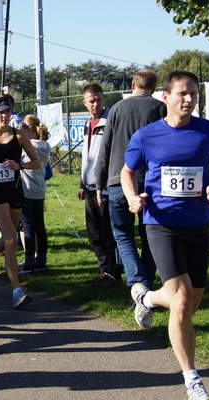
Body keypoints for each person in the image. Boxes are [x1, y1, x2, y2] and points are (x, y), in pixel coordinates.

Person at [122, 70, 209, 400]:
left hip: (198, 223)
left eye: (194, 93)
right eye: (183, 93)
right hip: (160, 222)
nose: (189, 99)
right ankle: (193, 382)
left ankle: (148, 299)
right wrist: (131, 197)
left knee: (187, 307)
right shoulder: (146, 136)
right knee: (183, 299)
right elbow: (128, 171)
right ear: (166, 97)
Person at [96, 70, 166, 290]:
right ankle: (147, 284)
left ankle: (138, 283)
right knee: (151, 236)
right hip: (152, 181)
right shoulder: (161, 108)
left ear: (133, 84)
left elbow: (104, 149)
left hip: (118, 180)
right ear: (154, 88)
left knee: (123, 235)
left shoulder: (117, 108)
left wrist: (99, 184)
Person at [0, 96, 41, 309]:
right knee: (11, 239)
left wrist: (20, 165)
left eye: (7, 111)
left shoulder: (20, 136)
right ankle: (17, 290)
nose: (4, 116)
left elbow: (36, 162)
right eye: (0, 112)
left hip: (15, 191)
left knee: (10, 238)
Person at [79, 84, 121, 288]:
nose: (95, 104)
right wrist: (82, 182)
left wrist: (103, 184)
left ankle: (115, 272)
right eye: (91, 101)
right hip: (88, 185)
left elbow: (110, 155)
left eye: (98, 99)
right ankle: (103, 270)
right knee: (93, 232)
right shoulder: (88, 122)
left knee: (108, 232)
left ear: (104, 99)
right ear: (84, 102)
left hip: (105, 186)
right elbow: (88, 155)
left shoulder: (111, 119)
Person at [18, 114, 50, 274]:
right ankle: (41, 260)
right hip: (39, 190)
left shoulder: (27, 146)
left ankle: (29, 263)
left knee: (28, 227)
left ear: (27, 130)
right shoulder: (45, 145)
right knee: (40, 227)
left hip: (26, 190)